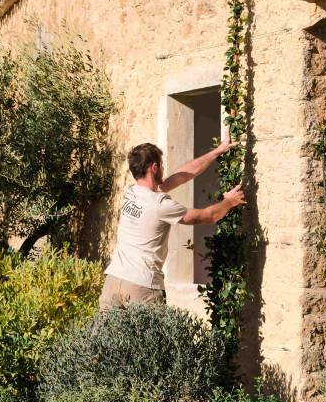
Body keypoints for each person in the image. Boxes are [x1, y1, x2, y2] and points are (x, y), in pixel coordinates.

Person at [99, 128, 245, 310]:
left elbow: (182, 175)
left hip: (113, 282)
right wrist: (229, 202)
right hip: (142, 286)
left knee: (104, 338)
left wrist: (218, 151)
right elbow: (207, 217)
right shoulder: (160, 204)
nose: (164, 168)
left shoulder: (131, 193)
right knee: (153, 339)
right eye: (161, 164)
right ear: (154, 167)